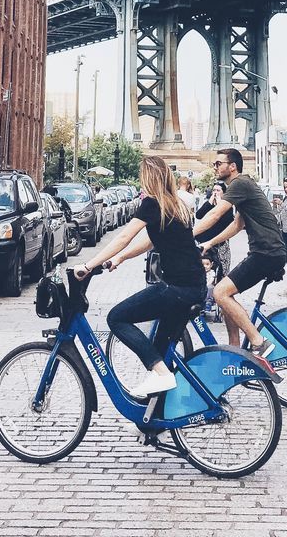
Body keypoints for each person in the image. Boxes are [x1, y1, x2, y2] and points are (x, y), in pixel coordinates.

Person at [75, 155, 204, 399]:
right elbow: (149, 241)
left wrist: (89, 265)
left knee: (117, 318)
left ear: (149, 178)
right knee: (160, 351)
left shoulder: (152, 204)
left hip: (175, 289)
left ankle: (162, 374)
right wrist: (120, 258)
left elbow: (125, 236)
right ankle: (155, 421)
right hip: (193, 288)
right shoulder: (176, 206)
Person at [193, 148, 286, 358]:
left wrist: (187, 234)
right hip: (267, 251)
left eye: (218, 163)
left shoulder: (239, 183)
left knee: (219, 293)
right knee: (225, 293)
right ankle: (235, 349)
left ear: (232, 166)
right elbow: (237, 224)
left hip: (266, 252)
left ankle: (259, 342)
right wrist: (208, 243)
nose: (215, 167)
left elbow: (216, 214)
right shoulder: (243, 186)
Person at [195, 182, 231, 315]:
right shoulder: (208, 204)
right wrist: (209, 202)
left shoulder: (227, 206)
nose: (216, 192)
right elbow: (199, 215)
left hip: (220, 244)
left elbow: (228, 221)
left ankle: (220, 301)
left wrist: (221, 203)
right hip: (205, 243)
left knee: (221, 273)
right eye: (214, 190)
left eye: (218, 190)